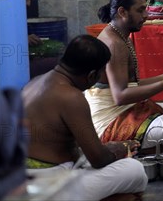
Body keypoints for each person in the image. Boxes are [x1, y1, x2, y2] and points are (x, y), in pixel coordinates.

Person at [22, 35, 148, 201]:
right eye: (102, 73)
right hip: (47, 188)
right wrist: (117, 150)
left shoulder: (34, 83)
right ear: (91, 76)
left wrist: (105, 148)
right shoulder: (71, 97)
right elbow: (98, 159)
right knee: (135, 170)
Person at [85, 0, 163, 153]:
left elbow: (132, 84)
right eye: (140, 10)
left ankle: (160, 155)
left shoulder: (121, 35)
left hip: (127, 109)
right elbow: (120, 96)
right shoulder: (114, 44)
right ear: (122, 12)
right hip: (110, 121)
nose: (146, 15)